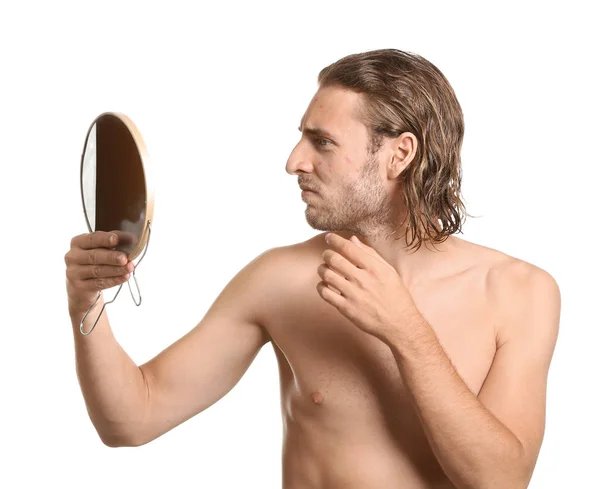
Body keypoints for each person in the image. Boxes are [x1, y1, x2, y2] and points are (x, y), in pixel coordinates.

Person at [64, 49, 561, 489]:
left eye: (322, 142)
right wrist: (85, 304)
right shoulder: (280, 280)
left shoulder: (519, 292)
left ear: (399, 154)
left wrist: (405, 330)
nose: (293, 161)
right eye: (301, 137)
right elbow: (131, 420)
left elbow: (501, 480)